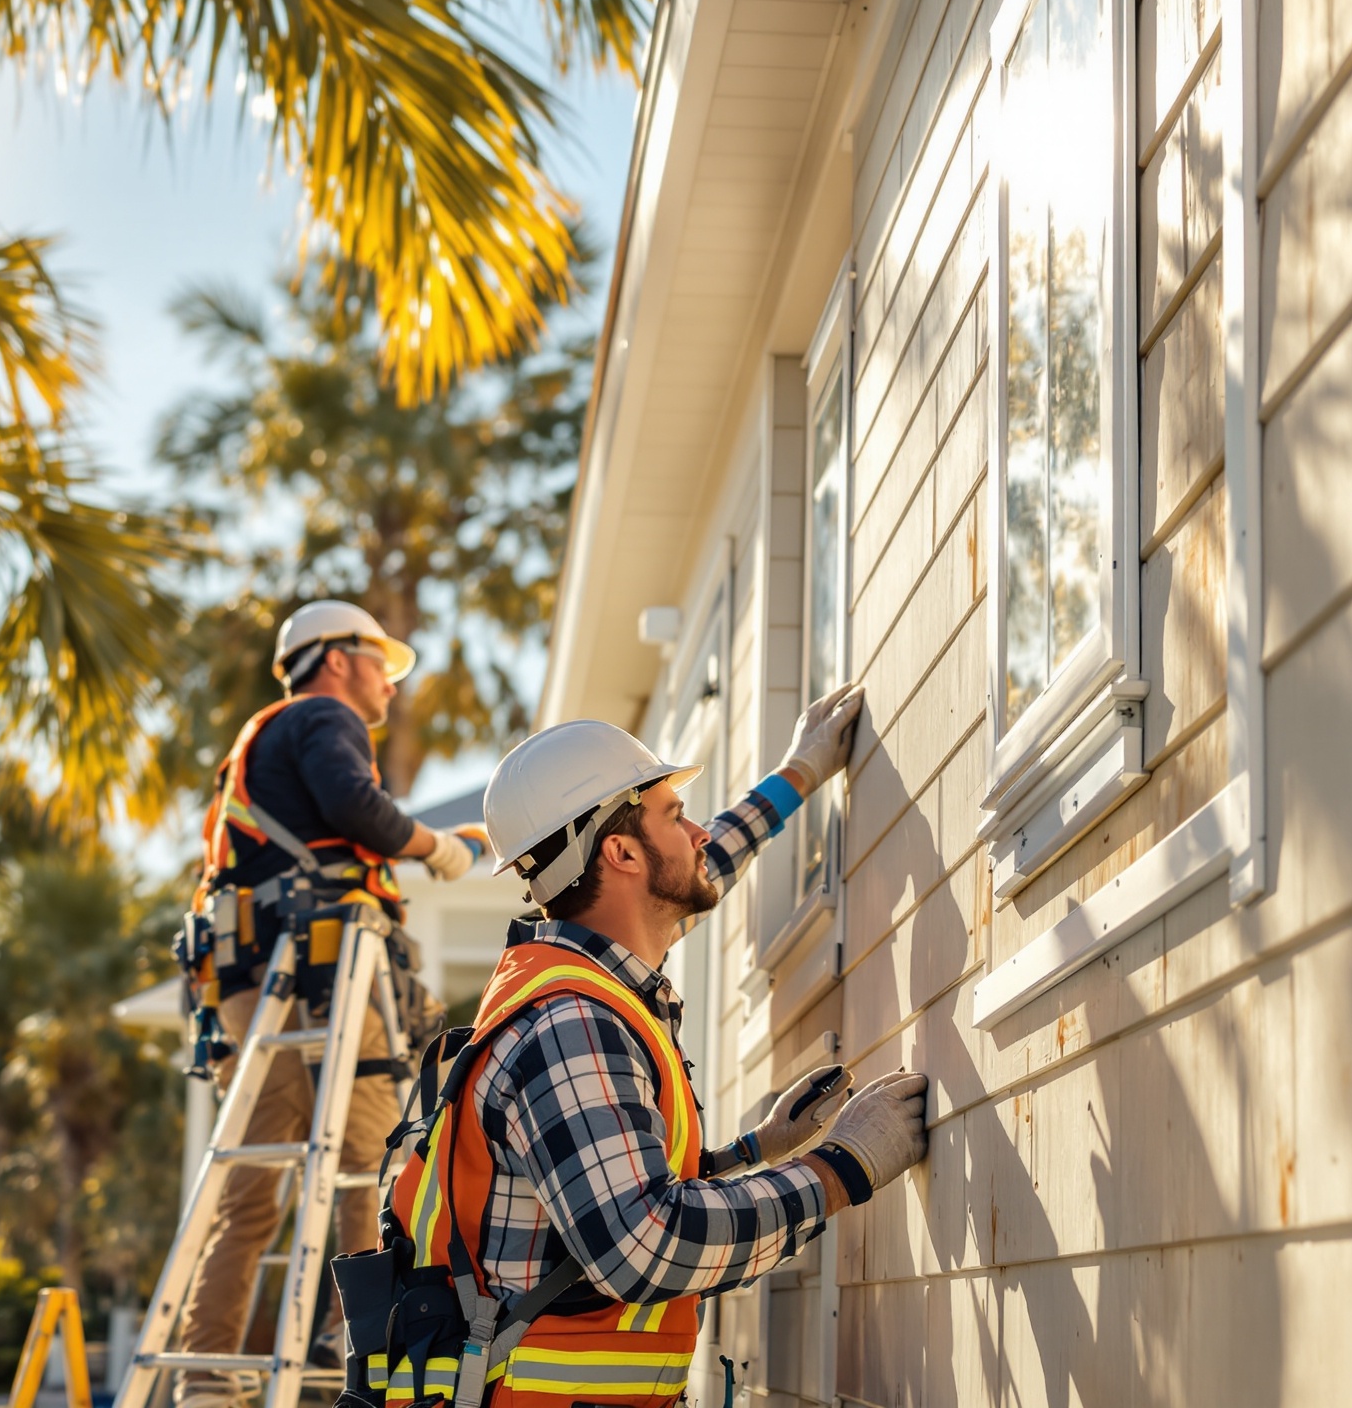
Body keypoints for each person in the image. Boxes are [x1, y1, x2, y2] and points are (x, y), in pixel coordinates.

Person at [364, 684, 929, 1408]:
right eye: (676, 814)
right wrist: (839, 1168)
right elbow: (642, 1244)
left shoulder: (586, 983)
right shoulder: (571, 1021)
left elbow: (589, 1208)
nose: (698, 832)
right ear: (622, 851)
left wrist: (798, 776)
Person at [176, 600, 487, 1408]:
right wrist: (440, 848)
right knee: (373, 1169)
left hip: (256, 987)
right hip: (323, 979)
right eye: (380, 662)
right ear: (339, 657)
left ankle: (209, 1376)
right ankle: (367, 1358)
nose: (389, 685)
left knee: (257, 1188)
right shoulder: (323, 715)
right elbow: (357, 808)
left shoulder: (263, 741)